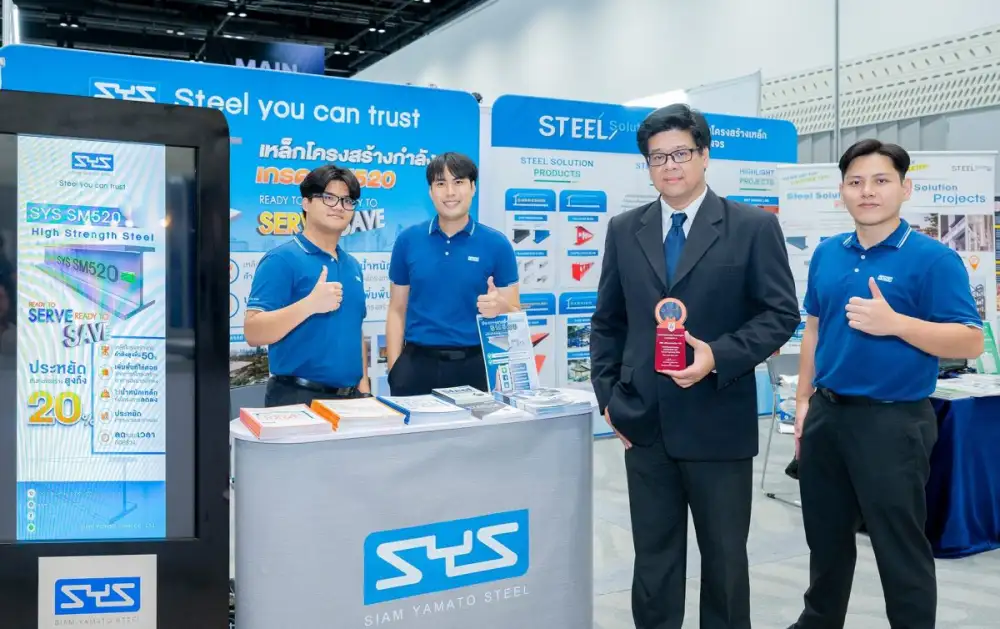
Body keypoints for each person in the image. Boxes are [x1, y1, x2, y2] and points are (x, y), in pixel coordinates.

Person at [590, 103, 799, 629]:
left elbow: (780, 314)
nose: (670, 165)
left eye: (681, 153)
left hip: (718, 420)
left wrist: (717, 356)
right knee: (653, 561)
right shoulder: (625, 229)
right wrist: (609, 398)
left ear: (704, 155)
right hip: (645, 424)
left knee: (725, 561)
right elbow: (608, 321)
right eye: (657, 157)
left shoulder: (752, 227)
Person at [788, 140, 984, 629]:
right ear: (842, 192)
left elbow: (970, 340)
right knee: (825, 538)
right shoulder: (827, 253)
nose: (867, 192)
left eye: (880, 181)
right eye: (855, 182)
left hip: (893, 422)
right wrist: (803, 401)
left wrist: (896, 324)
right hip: (827, 415)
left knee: (899, 545)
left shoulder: (933, 259)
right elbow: (814, 329)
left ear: (905, 188)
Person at [386, 152, 519, 395]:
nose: (450, 192)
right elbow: (397, 309)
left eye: (458, 182)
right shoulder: (407, 241)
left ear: (473, 187)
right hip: (416, 365)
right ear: (430, 191)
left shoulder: (497, 244)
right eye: (441, 183)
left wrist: (501, 307)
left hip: (476, 366)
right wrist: (395, 369)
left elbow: (515, 314)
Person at [244, 164, 370, 407]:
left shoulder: (352, 265)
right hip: (298, 398)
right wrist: (310, 305)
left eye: (347, 201)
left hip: (351, 400)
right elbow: (253, 332)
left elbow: (355, 330)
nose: (338, 207)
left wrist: (364, 390)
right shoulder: (281, 259)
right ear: (306, 203)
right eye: (329, 197)